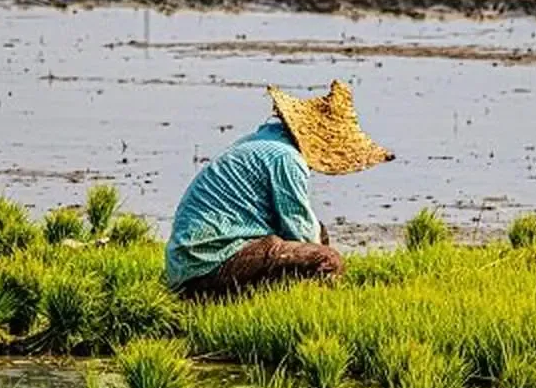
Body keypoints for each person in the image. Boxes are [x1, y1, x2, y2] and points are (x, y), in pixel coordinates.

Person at [166, 80, 393, 299]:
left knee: (318, 233)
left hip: (188, 266)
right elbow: (298, 226)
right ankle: (317, 307)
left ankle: (284, 298)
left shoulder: (261, 142)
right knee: (327, 260)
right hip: (209, 266)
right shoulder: (286, 158)